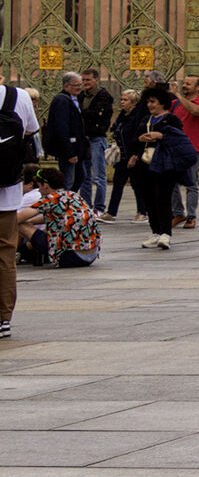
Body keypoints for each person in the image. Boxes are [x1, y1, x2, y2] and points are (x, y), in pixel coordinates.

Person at [128, 83, 197, 251]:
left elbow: (179, 140)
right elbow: (133, 138)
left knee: (163, 197)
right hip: (145, 163)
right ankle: (155, 231)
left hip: (164, 164)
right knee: (148, 198)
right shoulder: (146, 120)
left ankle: (166, 233)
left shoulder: (171, 119)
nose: (150, 105)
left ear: (162, 103)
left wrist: (160, 136)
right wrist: (139, 142)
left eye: (154, 102)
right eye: (148, 102)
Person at [0, 75, 41, 336]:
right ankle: (3, 317)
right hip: (6, 191)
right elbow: (30, 132)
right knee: (5, 255)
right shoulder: (19, 96)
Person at [18, 167, 99, 269]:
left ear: (46, 186)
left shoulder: (49, 200)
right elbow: (59, 217)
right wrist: (30, 222)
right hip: (91, 256)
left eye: (39, 186)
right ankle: (23, 251)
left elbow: (17, 219)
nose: (38, 190)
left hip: (71, 257)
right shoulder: (73, 195)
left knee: (18, 224)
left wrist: (27, 225)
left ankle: (13, 253)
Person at [172, 72, 199, 229]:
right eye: (184, 83)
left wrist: (178, 96)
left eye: (188, 84)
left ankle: (191, 216)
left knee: (191, 183)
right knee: (172, 182)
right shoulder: (174, 103)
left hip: (192, 149)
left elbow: (195, 111)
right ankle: (177, 213)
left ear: (198, 87)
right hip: (174, 148)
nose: (184, 86)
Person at [106, 90, 148, 221]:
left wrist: (135, 155)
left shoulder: (138, 117)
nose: (122, 102)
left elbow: (138, 137)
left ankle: (142, 211)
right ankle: (111, 212)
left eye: (125, 100)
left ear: (134, 102)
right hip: (122, 156)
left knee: (137, 184)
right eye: (122, 99)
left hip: (133, 156)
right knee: (117, 184)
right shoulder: (122, 116)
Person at [42, 74, 84, 203]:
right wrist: (69, 152)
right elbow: (62, 127)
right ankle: (62, 205)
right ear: (66, 86)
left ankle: (67, 203)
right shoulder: (62, 100)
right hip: (67, 149)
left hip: (74, 148)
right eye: (76, 85)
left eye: (80, 85)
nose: (80, 88)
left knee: (80, 177)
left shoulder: (71, 99)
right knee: (68, 181)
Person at [77, 68, 113, 213]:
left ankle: (99, 207)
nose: (85, 83)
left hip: (96, 137)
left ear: (96, 80)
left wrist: (83, 114)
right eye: (83, 80)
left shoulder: (103, 96)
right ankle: (86, 205)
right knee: (84, 176)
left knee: (98, 176)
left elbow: (97, 115)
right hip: (83, 138)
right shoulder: (81, 95)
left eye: (88, 80)